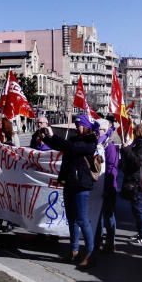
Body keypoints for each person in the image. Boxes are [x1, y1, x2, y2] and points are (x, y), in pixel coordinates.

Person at [45, 114, 99, 268]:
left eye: (79, 124)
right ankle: (74, 250)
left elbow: (73, 148)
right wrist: (46, 137)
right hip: (69, 183)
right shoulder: (74, 139)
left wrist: (54, 136)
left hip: (82, 184)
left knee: (82, 219)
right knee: (72, 220)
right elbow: (62, 146)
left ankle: (90, 253)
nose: (77, 127)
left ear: (87, 125)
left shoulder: (91, 141)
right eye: (75, 124)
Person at [120, 123, 142, 245]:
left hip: (138, 181)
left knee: (140, 208)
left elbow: (138, 162)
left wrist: (127, 149)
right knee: (136, 208)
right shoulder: (139, 143)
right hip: (134, 180)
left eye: (134, 132)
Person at [95, 119, 120, 253]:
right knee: (97, 215)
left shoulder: (109, 145)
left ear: (104, 130)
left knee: (108, 215)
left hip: (108, 185)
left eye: (98, 129)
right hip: (98, 184)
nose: (95, 131)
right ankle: (98, 240)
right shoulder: (98, 143)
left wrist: (108, 187)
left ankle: (110, 242)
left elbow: (111, 168)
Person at [0, 119, 17, 234]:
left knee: (9, 199)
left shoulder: (12, 138)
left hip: (10, 173)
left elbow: (17, 153)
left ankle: (10, 222)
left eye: (0, 124)